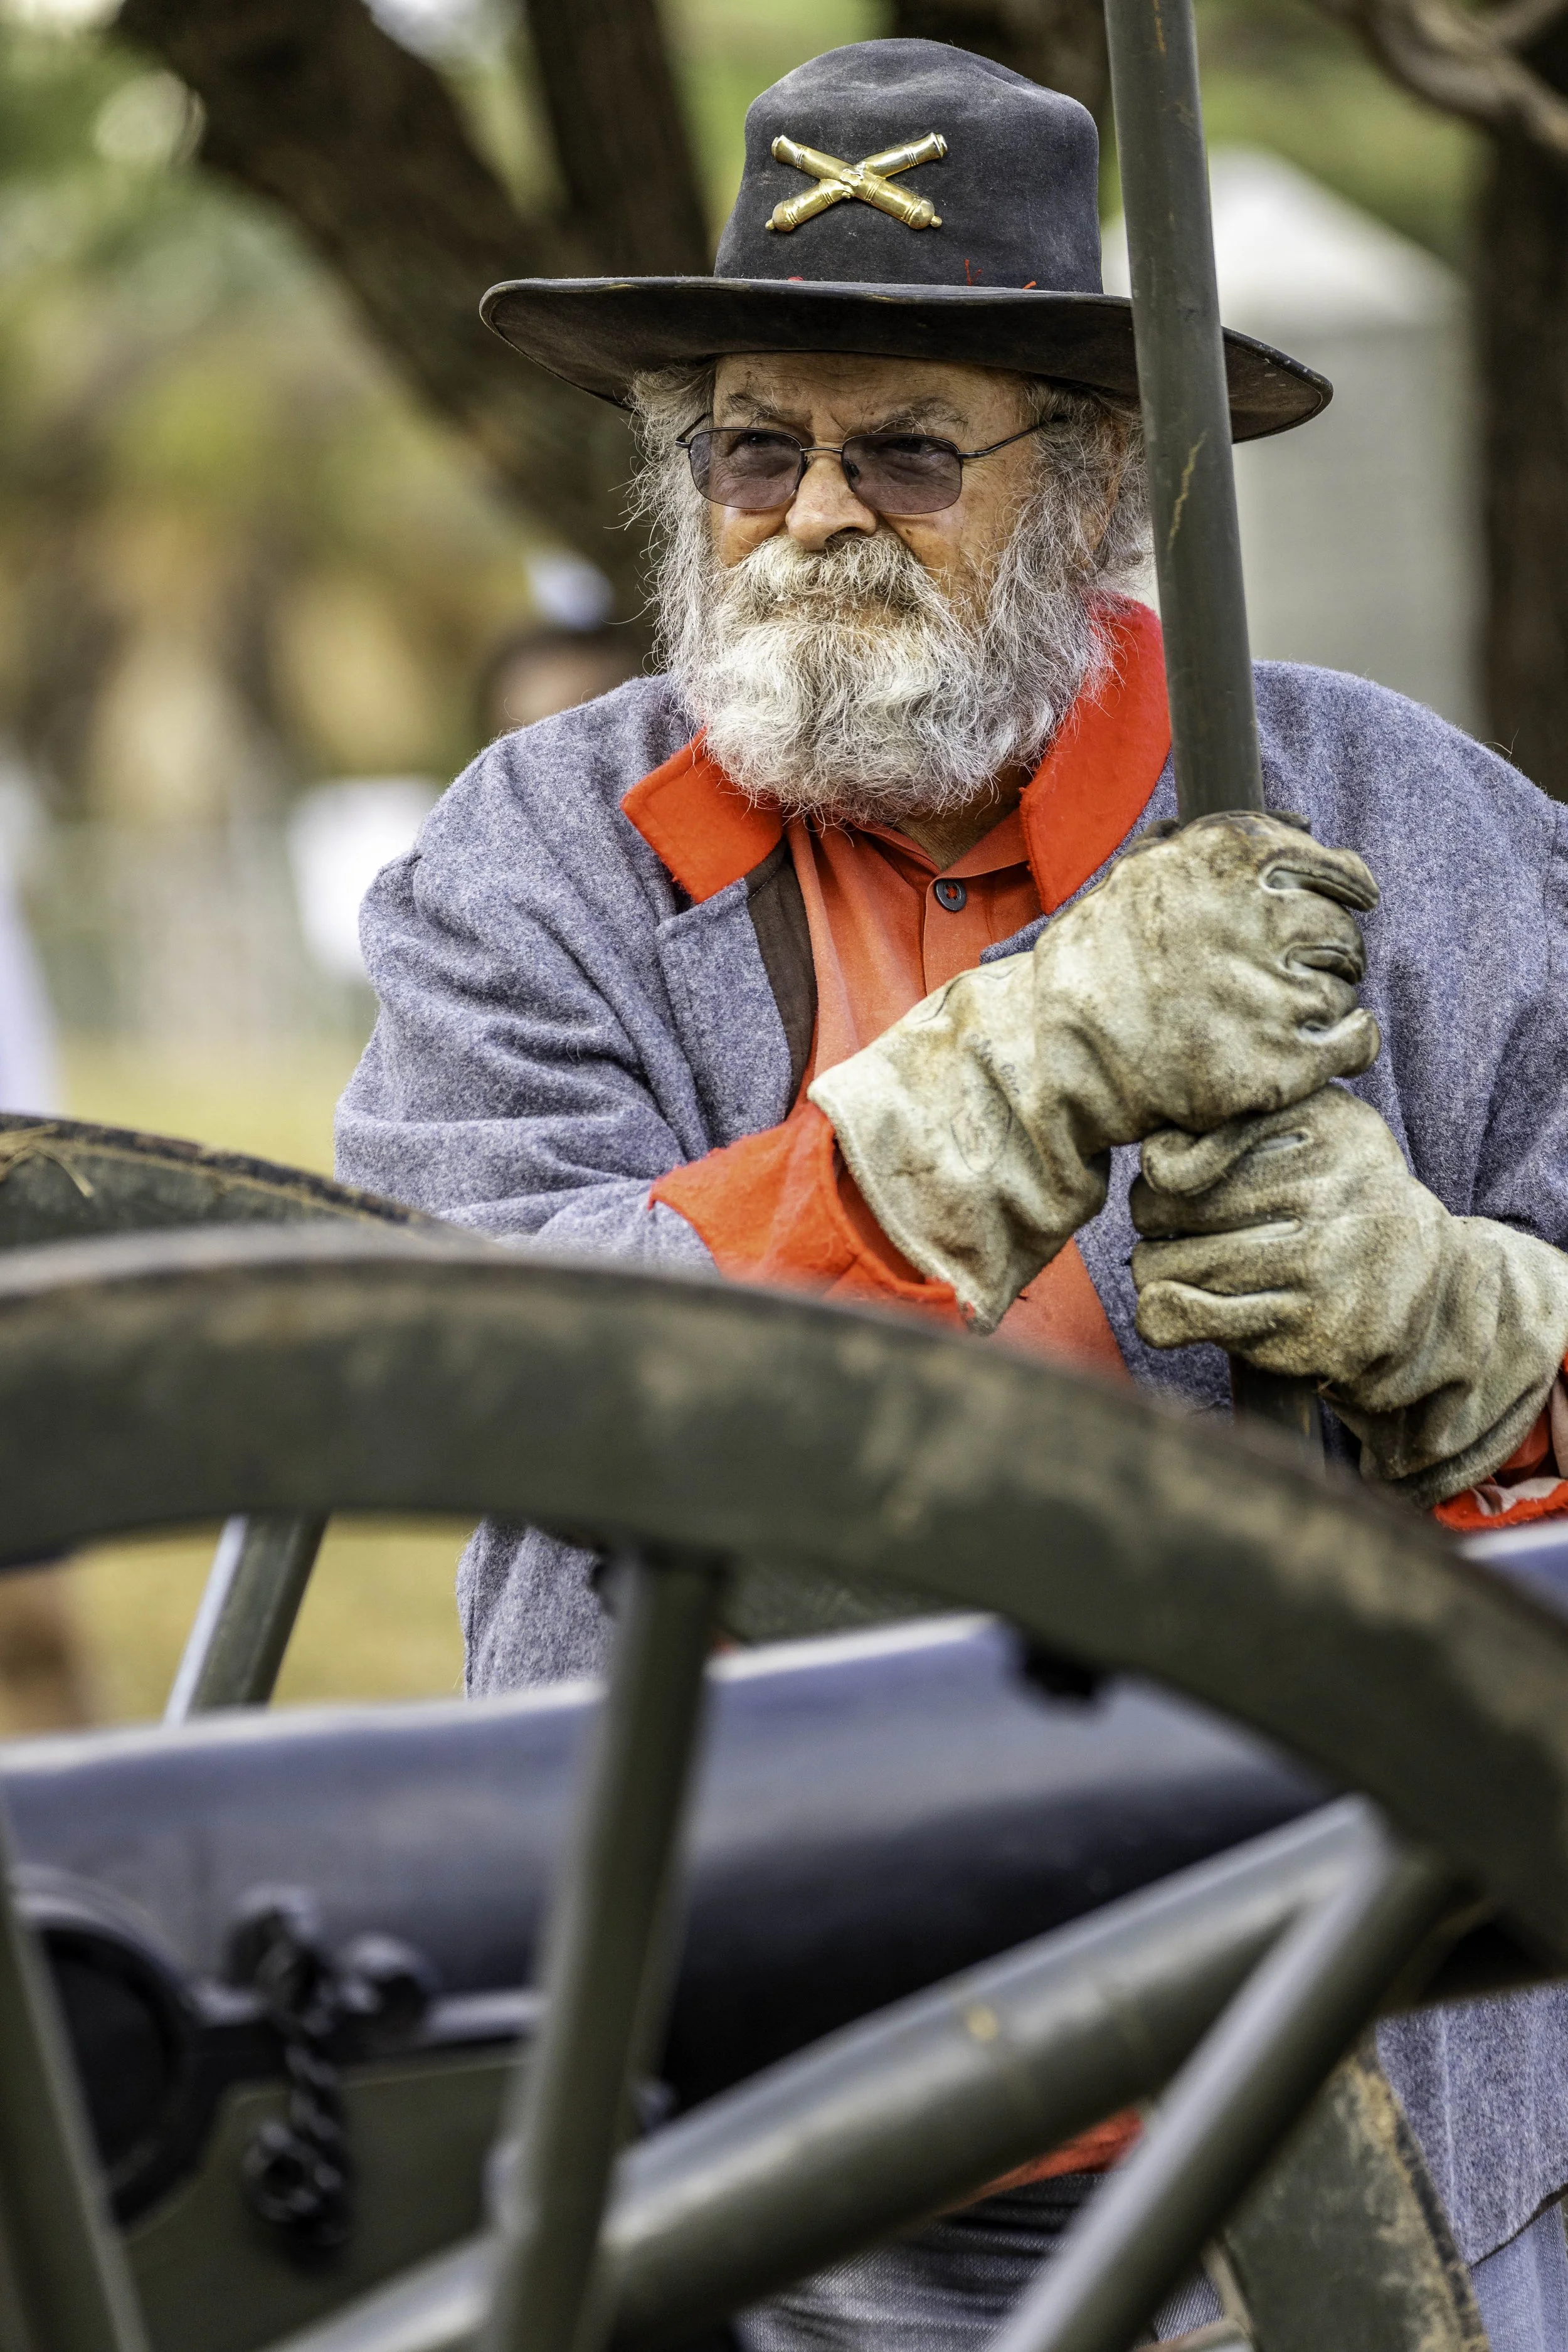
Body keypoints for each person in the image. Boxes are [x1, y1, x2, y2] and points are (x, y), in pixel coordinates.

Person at [336, 40, 1568, 2349]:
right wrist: (1003, 1090)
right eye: (755, 447)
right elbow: (481, 1364)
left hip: (1358, 2107)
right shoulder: (527, 867)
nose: (813, 514)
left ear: (1099, 489)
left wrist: (1471, 1317)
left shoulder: (1429, 830)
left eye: (907, 450)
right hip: (728, 2106)